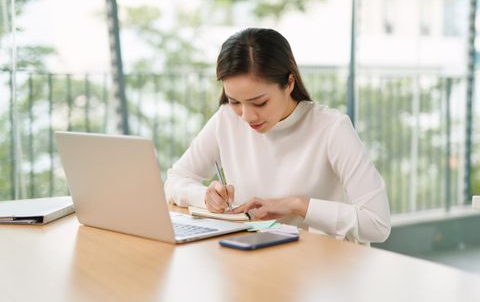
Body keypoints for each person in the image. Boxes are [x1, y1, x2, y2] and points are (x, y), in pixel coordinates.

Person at [164, 28, 390, 243]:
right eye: (234, 101)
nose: (247, 116)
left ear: (289, 82)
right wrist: (206, 196)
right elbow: (175, 180)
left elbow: (377, 223)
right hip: (251, 256)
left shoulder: (332, 128)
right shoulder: (226, 119)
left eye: (259, 102)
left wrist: (297, 205)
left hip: (319, 265)